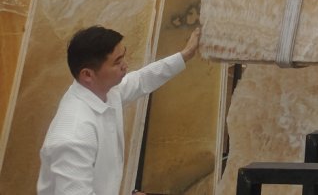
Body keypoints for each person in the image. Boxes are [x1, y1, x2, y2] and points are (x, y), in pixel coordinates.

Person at [37, 25, 201, 195]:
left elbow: (141, 80)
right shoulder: (73, 136)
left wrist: (186, 54)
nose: (125, 65)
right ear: (87, 75)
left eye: (123, 57)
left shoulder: (103, 90)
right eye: (117, 62)